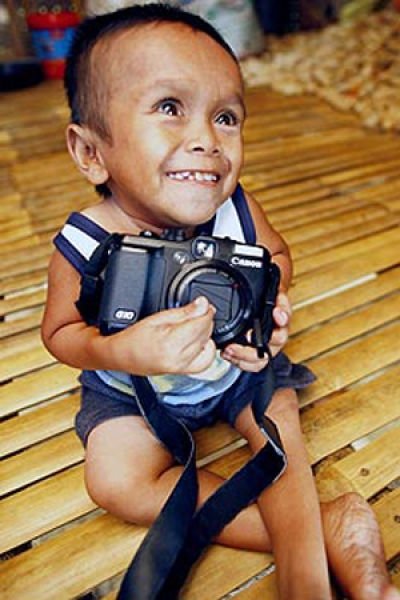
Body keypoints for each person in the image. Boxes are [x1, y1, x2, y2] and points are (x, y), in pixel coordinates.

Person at [41, 4, 399, 599]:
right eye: (169, 108)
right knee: (115, 483)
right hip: (132, 391)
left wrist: (271, 306)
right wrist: (118, 348)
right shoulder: (85, 240)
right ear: (90, 152)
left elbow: (278, 256)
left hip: (237, 369)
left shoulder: (235, 210)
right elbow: (60, 334)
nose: (207, 139)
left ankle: (305, 579)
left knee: (279, 440)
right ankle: (324, 526)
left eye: (226, 116)